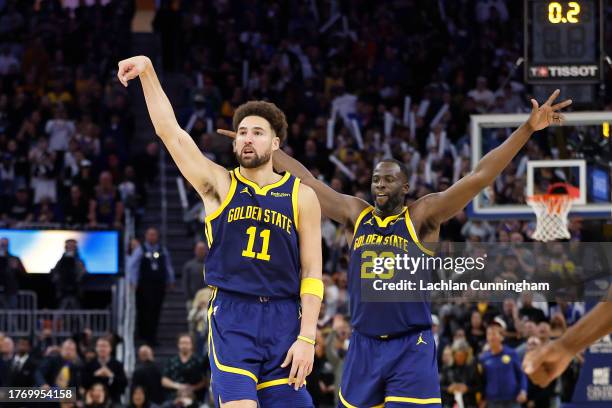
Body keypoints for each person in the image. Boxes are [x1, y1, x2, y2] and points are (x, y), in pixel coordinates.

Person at [219, 90, 571, 407]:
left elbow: (479, 176)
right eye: (375, 179)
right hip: (362, 345)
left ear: (406, 186)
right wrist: (258, 145)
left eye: (388, 179)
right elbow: (307, 180)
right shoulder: (357, 214)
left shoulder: (423, 216)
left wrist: (526, 129)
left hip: (410, 346)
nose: (379, 184)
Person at [118, 55, 323, 407]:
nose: (247, 139)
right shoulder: (220, 185)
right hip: (233, 316)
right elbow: (171, 133)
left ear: (275, 143)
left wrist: (307, 337)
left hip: (285, 318)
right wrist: (149, 71)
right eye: (242, 132)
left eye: (258, 133)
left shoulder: (302, 196)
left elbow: (312, 272)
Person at [523, 291, 612, 387]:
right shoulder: (554, 310)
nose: (561, 300)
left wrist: (566, 345)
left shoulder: (574, 310)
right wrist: (566, 346)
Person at [127, 227, 176, 345]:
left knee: (156, 311)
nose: (152, 237)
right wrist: (133, 282)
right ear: (146, 236)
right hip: (144, 286)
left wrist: (171, 280)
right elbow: (133, 266)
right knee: (145, 310)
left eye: (154, 235)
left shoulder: (162, 250)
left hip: (158, 286)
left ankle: (152, 336)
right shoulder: (140, 249)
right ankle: (144, 335)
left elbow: (168, 266)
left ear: (157, 236)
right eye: (150, 234)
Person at [478, 318, 527, 408]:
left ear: (501, 337)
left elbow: (521, 375)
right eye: (489, 334)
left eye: (494, 334)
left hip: (512, 400)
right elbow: (482, 381)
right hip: (493, 402)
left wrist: (523, 390)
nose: (492, 337)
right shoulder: (483, 358)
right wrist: (482, 398)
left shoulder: (512, 353)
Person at [161, 334, 208, 404]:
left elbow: (205, 381)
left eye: (187, 343)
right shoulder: (171, 360)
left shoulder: (199, 361)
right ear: (178, 344)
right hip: (174, 398)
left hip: (195, 398)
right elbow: (164, 381)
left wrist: (192, 388)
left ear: (192, 345)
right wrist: (179, 386)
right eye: (182, 343)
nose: (184, 345)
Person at [82, 337, 127, 406]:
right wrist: (95, 375)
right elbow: (84, 384)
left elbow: (123, 385)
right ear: (96, 348)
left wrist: (111, 376)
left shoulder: (118, 364)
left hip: (113, 400)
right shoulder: (89, 364)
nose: (102, 349)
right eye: (100, 346)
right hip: (92, 401)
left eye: (105, 346)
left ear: (110, 348)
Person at [50, 239, 86, 309]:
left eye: (72, 246)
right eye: (68, 246)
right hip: (63, 289)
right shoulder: (61, 261)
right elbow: (56, 272)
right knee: (62, 307)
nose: (70, 247)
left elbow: (82, 272)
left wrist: (78, 279)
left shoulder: (79, 261)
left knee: (77, 308)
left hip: (75, 289)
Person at [0, 237, 25, 309]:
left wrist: (16, 268)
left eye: (5, 245)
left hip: (11, 290)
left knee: (12, 312)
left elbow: (23, 274)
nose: (3, 247)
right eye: (2, 244)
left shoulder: (14, 258)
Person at [182, 241, 207, 311]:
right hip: (192, 299)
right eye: (199, 249)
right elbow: (185, 283)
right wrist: (188, 298)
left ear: (206, 250)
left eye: (202, 249)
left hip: (207, 299)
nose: (201, 251)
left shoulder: (211, 265)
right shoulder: (189, 265)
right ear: (195, 250)